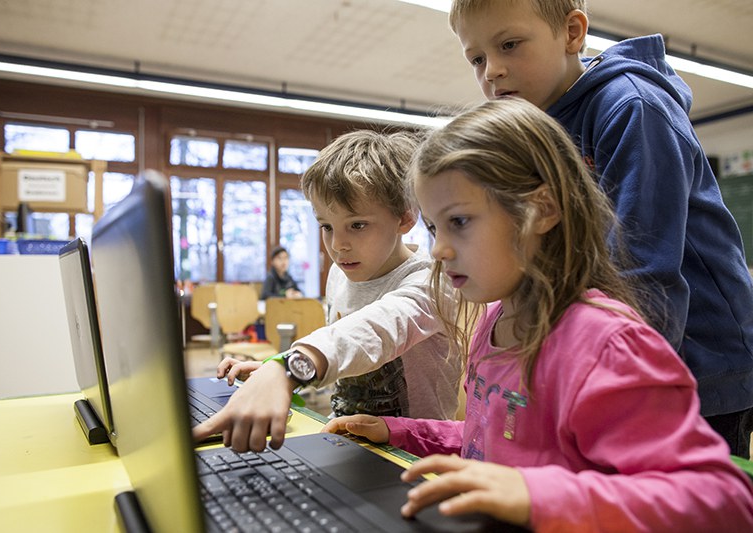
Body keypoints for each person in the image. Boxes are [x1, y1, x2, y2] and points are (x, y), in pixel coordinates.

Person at [323, 98, 753, 531]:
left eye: (460, 221)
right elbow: (489, 446)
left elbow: (721, 498)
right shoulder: (495, 321)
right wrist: (400, 433)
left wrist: (534, 494)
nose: (438, 250)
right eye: (435, 228)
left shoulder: (605, 345)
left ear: (542, 210)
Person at [447, 0, 753, 458]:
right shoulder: (540, 126)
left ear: (572, 33)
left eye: (509, 45)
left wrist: (607, 384)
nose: (492, 71)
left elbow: (641, 269)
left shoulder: (631, 107)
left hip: (700, 362)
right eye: (477, 58)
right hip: (616, 347)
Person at [193, 129, 462, 451]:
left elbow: (375, 331)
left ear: (405, 218)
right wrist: (281, 372)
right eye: (326, 227)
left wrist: (290, 367)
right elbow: (344, 357)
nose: (338, 245)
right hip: (345, 438)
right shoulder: (339, 274)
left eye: (357, 225)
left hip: (414, 454)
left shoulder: (432, 281)